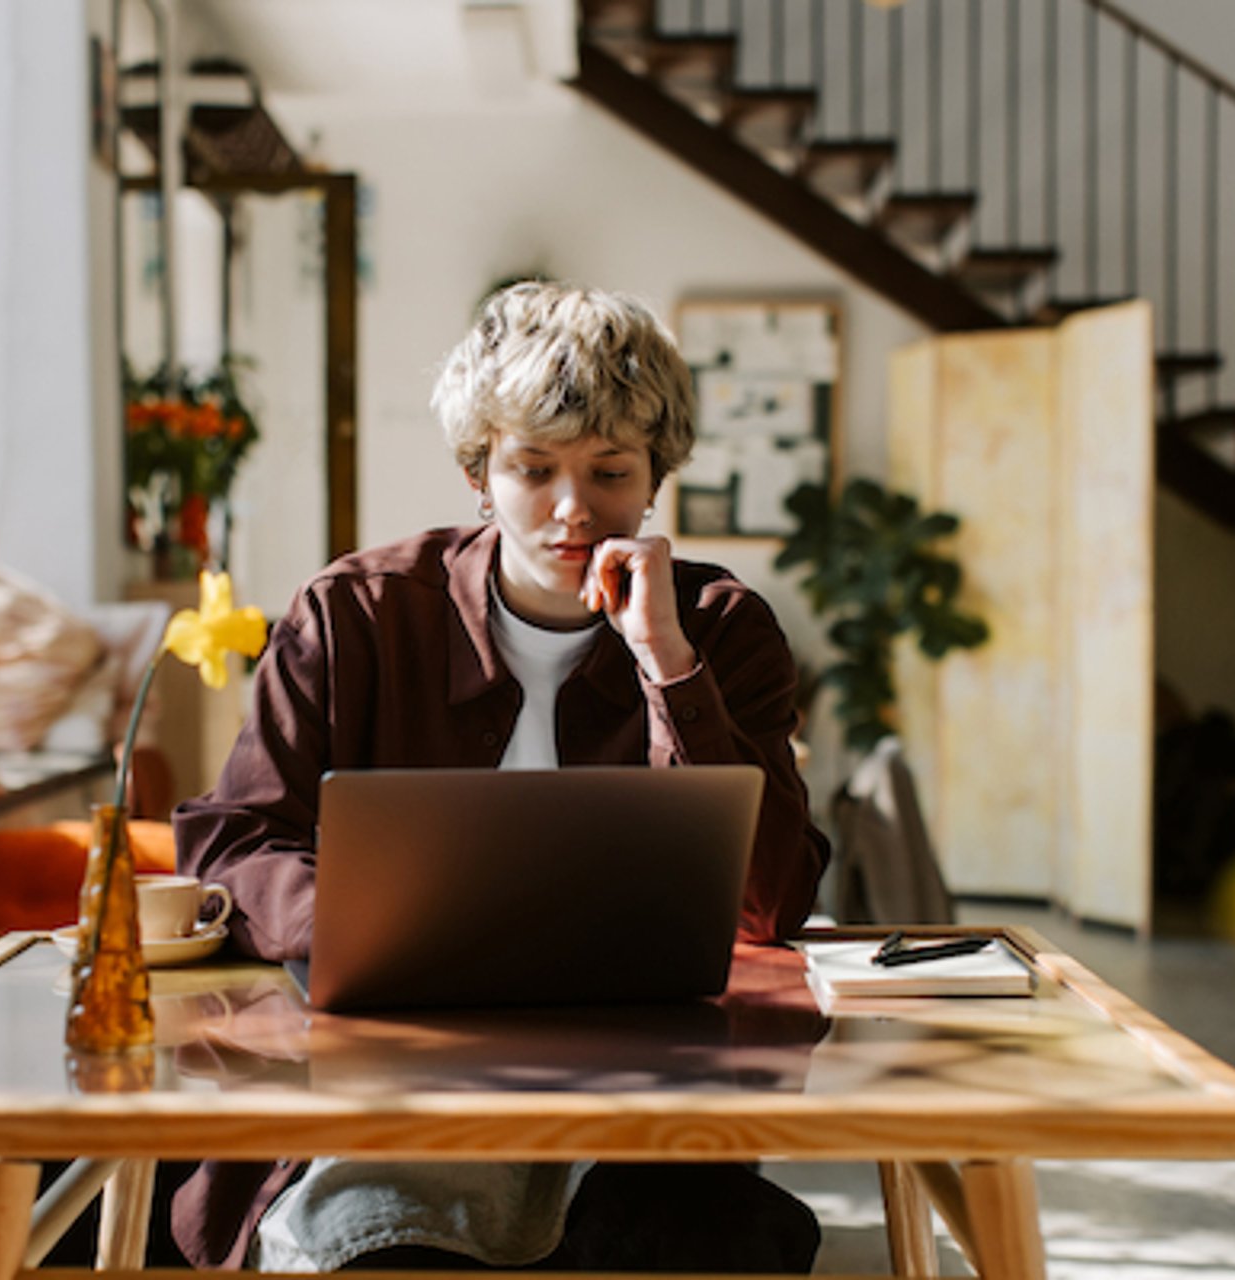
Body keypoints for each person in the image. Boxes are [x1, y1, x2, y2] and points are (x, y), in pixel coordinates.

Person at [170, 282, 830, 1272]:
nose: (573, 509)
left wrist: (668, 664)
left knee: (703, 1237)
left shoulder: (721, 629)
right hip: (396, 1079)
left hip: (639, 1093)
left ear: (656, 476)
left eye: (610, 471)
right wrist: (368, 929)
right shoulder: (354, 615)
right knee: (386, 1238)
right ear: (479, 470)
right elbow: (235, 836)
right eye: (533, 468)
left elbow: (770, 902)